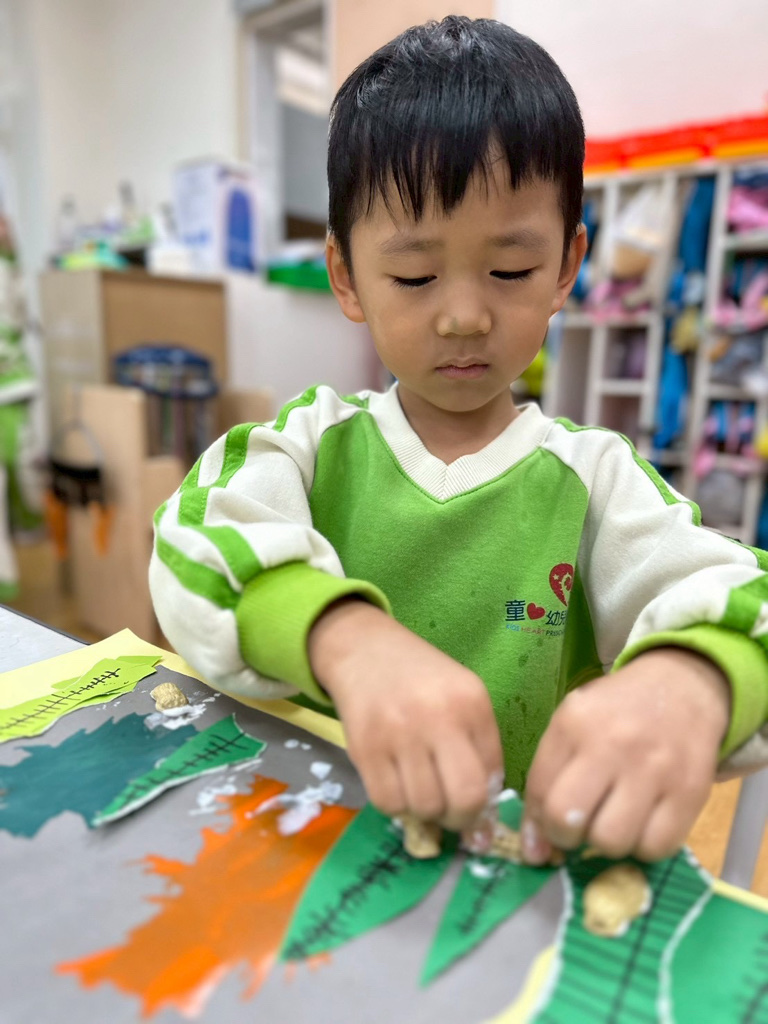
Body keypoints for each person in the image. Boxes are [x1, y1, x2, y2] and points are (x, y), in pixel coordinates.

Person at [150, 16, 768, 865]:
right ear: (346, 276)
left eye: (511, 270)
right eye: (414, 275)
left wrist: (691, 682)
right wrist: (343, 639)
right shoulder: (309, 446)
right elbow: (193, 543)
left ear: (566, 267)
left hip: (506, 877)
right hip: (314, 852)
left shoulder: (594, 478)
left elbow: (743, 598)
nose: (466, 315)